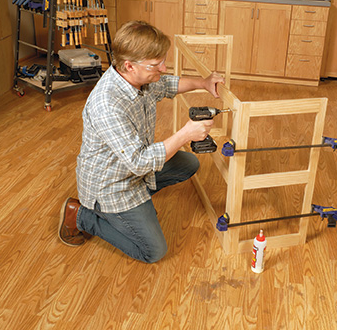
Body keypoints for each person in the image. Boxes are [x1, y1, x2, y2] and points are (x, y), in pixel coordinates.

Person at [58, 20, 224, 263]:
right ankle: (81, 216)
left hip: (133, 169)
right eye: (156, 65)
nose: (164, 68)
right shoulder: (108, 105)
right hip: (111, 187)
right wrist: (185, 135)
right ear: (129, 66)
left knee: (188, 164)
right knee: (153, 251)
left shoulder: (138, 79)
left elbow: (166, 85)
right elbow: (139, 162)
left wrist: (203, 82)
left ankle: (137, 206)